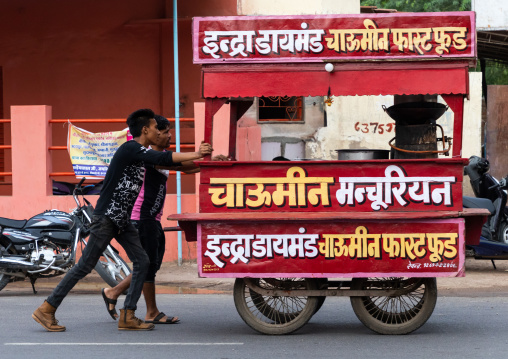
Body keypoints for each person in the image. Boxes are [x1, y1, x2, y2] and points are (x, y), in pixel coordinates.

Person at [32, 109, 213, 332]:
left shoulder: (142, 153)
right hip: (107, 217)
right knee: (84, 266)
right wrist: (197, 153)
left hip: (122, 220)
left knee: (143, 262)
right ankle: (47, 308)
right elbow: (164, 157)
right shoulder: (131, 149)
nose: (159, 132)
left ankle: (128, 315)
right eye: (156, 128)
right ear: (145, 129)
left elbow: (171, 163)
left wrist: (206, 162)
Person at [101, 115, 197, 324]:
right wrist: (200, 155)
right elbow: (176, 162)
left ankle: (114, 292)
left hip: (151, 218)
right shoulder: (149, 157)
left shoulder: (157, 156)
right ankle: (149, 311)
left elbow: (184, 167)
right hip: (141, 218)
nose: (169, 135)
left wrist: (209, 165)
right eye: (164, 132)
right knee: (147, 264)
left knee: (148, 264)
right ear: (153, 134)